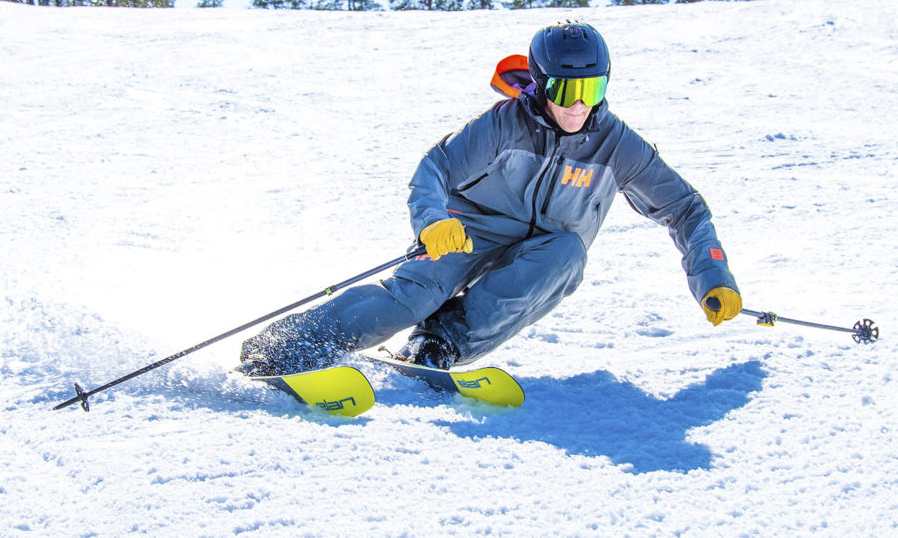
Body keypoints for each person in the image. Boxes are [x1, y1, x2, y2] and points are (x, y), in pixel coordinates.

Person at [240, 21, 741, 376]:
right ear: (541, 83)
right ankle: (288, 346)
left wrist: (713, 277)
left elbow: (686, 209)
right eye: (567, 92)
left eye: (593, 88)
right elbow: (434, 169)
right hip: (468, 229)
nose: (580, 105)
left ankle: (439, 342)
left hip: (544, 250)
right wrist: (432, 221)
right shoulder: (504, 122)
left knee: (567, 254)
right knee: (409, 298)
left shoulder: (618, 145)